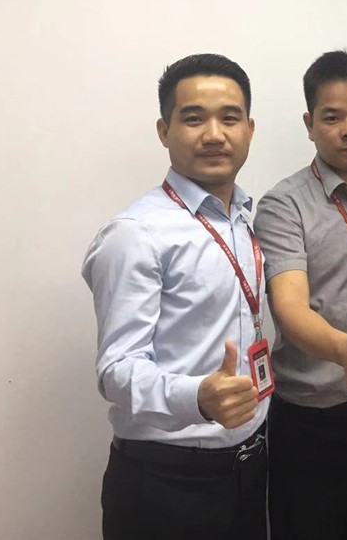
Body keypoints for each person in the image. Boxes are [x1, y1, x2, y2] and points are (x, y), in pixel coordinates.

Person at [83, 53, 269, 540]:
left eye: (230, 118)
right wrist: (197, 397)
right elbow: (117, 370)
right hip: (167, 481)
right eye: (194, 118)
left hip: (249, 466)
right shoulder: (136, 233)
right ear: (164, 131)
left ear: (249, 129)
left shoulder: (241, 218)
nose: (214, 134)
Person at [253, 50, 347, 540]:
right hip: (314, 425)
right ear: (309, 124)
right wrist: (345, 351)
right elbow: (289, 308)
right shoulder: (284, 205)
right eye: (332, 117)